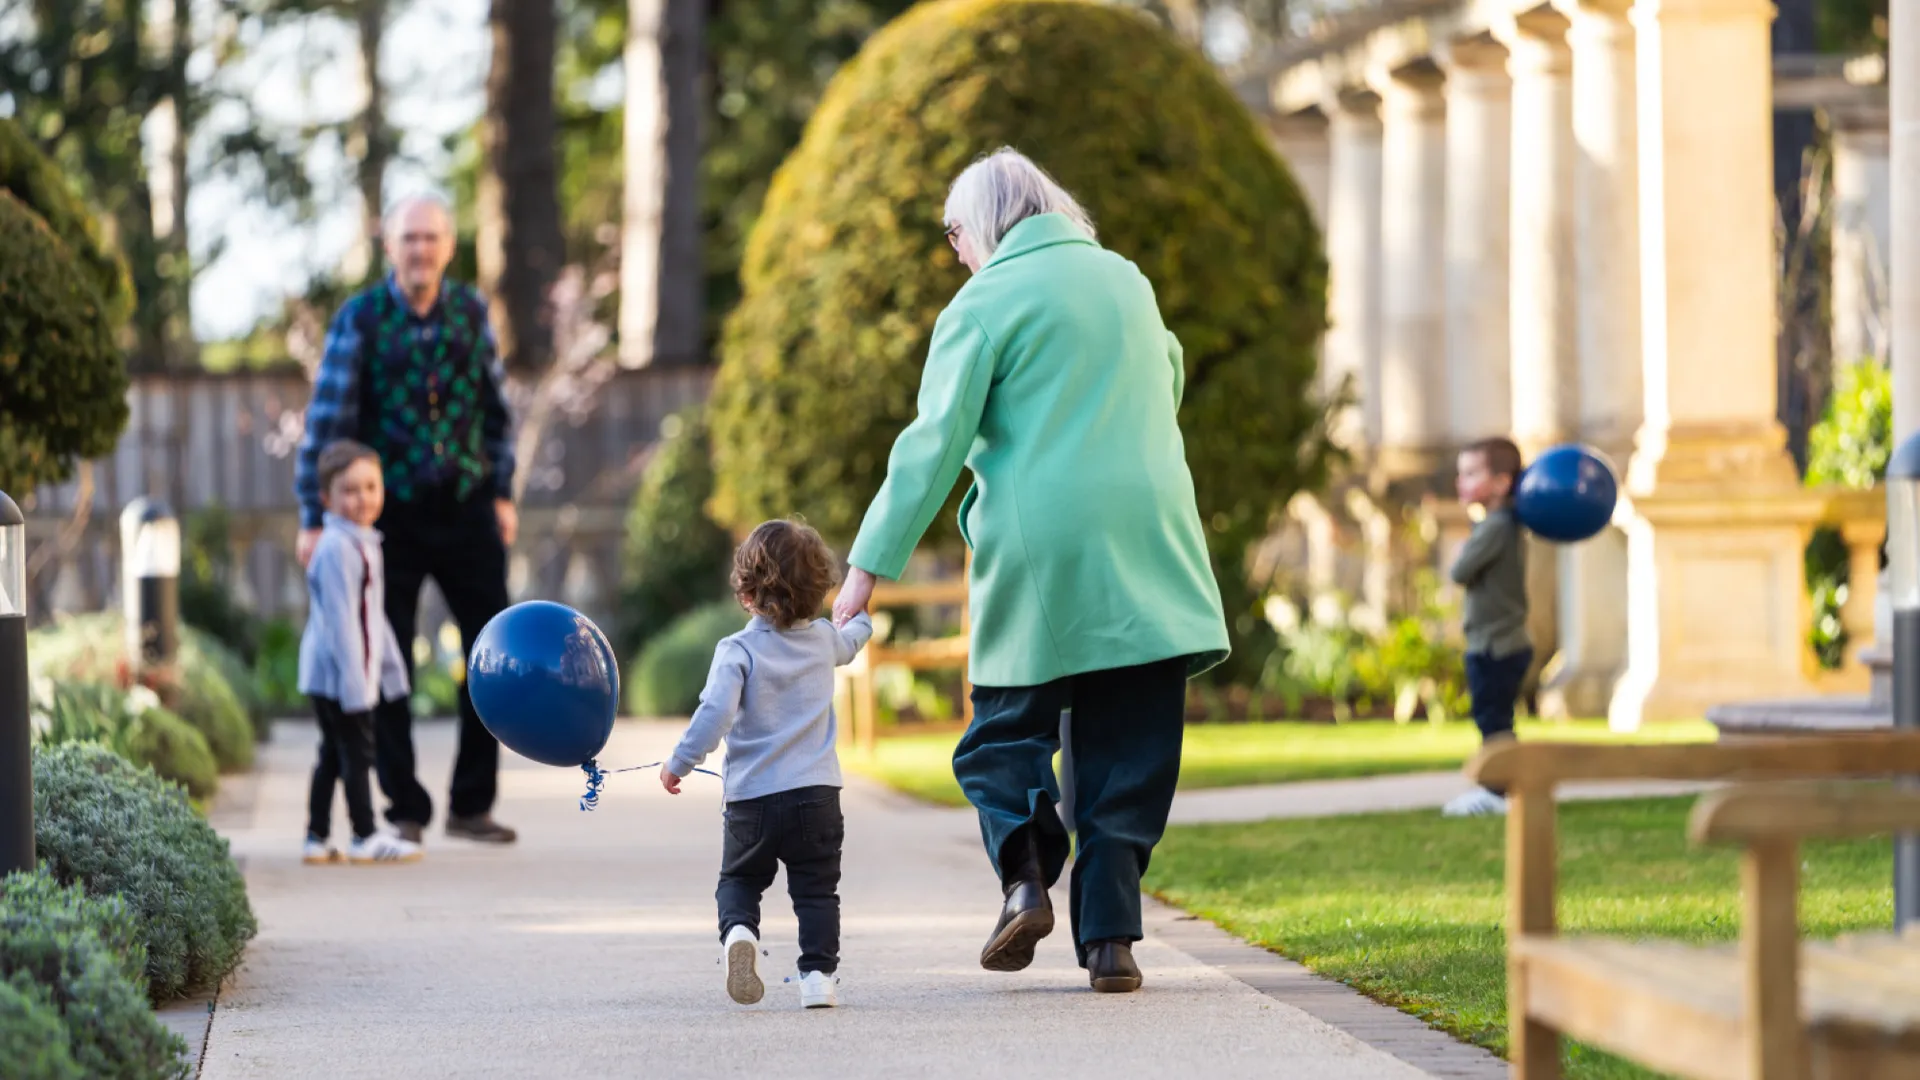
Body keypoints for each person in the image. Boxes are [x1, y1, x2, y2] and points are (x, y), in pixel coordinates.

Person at [830, 149, 1229, 994]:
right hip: (1152, 536)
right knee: (1129, 744)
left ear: (982, 222)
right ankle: (1113, 941)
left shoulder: (983, 304)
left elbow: (931, 446)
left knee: (1002, 737)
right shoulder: (1126, 279)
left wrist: (864, 570)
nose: (956, 252)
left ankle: (1025, 874)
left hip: (1044, 543)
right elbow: (1170, 373)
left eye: (953, 233)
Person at [294, 194, 519, 847]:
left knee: (491, 654)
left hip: (469, 506)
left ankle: (471, 804)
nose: (420, 249)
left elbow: (497, 413)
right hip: (387, 521)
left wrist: (501, 492)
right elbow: (328, 423)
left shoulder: (471, 313)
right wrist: (315, 515)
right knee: (381, 656)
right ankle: (405, 807)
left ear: (449, 246)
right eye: (409, 238)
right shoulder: (360, 319)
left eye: (431, 238)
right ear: (389, 246)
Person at [660, 520, 874, 1010]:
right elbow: (855, 634)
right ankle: (818, 977)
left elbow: (714, 714)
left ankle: (740, 933)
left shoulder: (737, 651)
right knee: (817, 892)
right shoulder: (824, 639)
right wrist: (858, 611)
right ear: (818, 589)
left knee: (739, 881)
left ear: (746, 593)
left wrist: (681, 761)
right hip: (817, 797)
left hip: (752, 800)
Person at [297, 439, 421, 864]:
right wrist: (356, 690)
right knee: (356, 753)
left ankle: (315, 837)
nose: (362, 498)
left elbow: (373, 615)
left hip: (344, 674)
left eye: (371, 486)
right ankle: (365, 834)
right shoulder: (336, 549)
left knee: (333, 753)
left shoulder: (364, 542)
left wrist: (391, 669)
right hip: (337, 676)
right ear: (326, 498)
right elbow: (342, 626)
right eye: (349, 490)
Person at [1442, 436, 1532, 818]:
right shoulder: (1500, 525)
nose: (1461, 482)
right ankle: (1502, 789)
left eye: (1471, 473)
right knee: (1492, 717)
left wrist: (1466, 546)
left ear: (1501, 482)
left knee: (1494, 719)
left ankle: (1498, 792)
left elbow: (1460, 571)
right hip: (1496, 641)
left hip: (1496, 644)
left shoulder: (1495, 527)